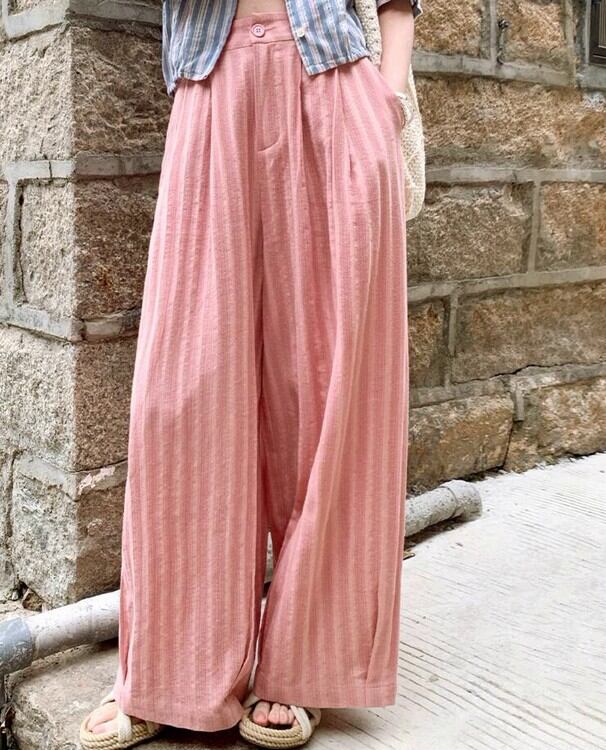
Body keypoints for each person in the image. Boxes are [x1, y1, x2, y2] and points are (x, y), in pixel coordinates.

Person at [80, 0, 422, 747]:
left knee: (330, 396)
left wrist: (387, 98)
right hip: (213, 87)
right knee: (182, 395)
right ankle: (172, 672)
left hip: (335, 86)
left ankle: (309, 665)